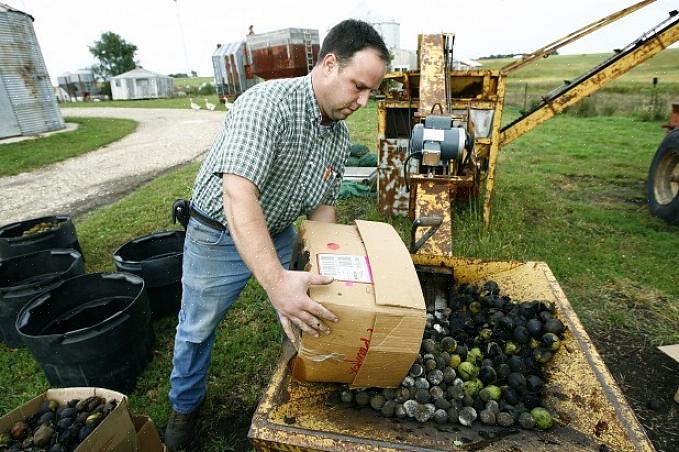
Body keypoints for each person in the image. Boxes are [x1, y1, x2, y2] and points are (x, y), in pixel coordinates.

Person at [164, 19, 389, 450]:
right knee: (196, 327)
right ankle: (184, 407)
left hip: (280, 229)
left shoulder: (338, 136)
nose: (362, 102)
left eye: (370, 93)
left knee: (305, 310)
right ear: (328, 65)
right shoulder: (266, 104)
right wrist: (276, 281)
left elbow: (323, 205)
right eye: (357, 86)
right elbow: (238, 194)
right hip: (217, 235)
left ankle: (302, 383)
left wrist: (327, 261)